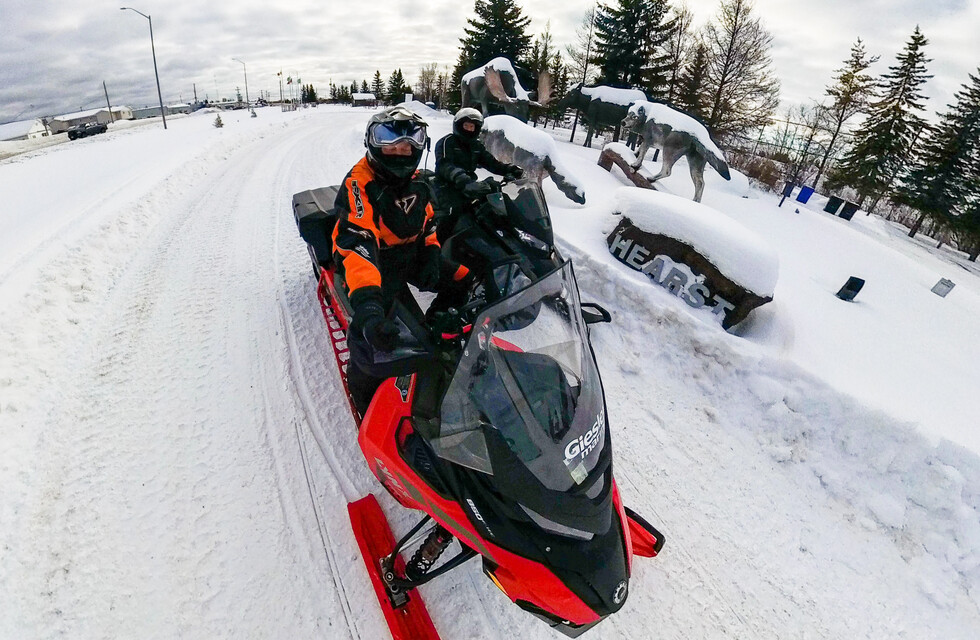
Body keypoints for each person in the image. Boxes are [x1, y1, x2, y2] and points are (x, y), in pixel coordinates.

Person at [332, 106, 471, 416]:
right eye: (389, 145)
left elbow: (429, 225)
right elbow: (357, 245)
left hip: (408, 255)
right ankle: (365, 398)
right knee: (373, 340)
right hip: (372, 262)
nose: (398, 153)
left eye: (405, 146)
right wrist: (368, 307)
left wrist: (433, 255)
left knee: (464, 278)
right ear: (373, 144)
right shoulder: (359, 183)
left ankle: (437, 330)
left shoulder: (419, 182)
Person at [433, 108, 523, 241]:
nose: (469, 129)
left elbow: (491, 162)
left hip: (470, 185)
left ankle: (506, 239)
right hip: (447, 185)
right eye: (466, 125)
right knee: (454, 213)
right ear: (458, 125)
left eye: (472, 126)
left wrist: (509, 169)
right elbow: (445, 165)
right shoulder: (447, 142)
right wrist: (461, 178)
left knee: (496, 204)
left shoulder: (476, 146)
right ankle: (440, 244)